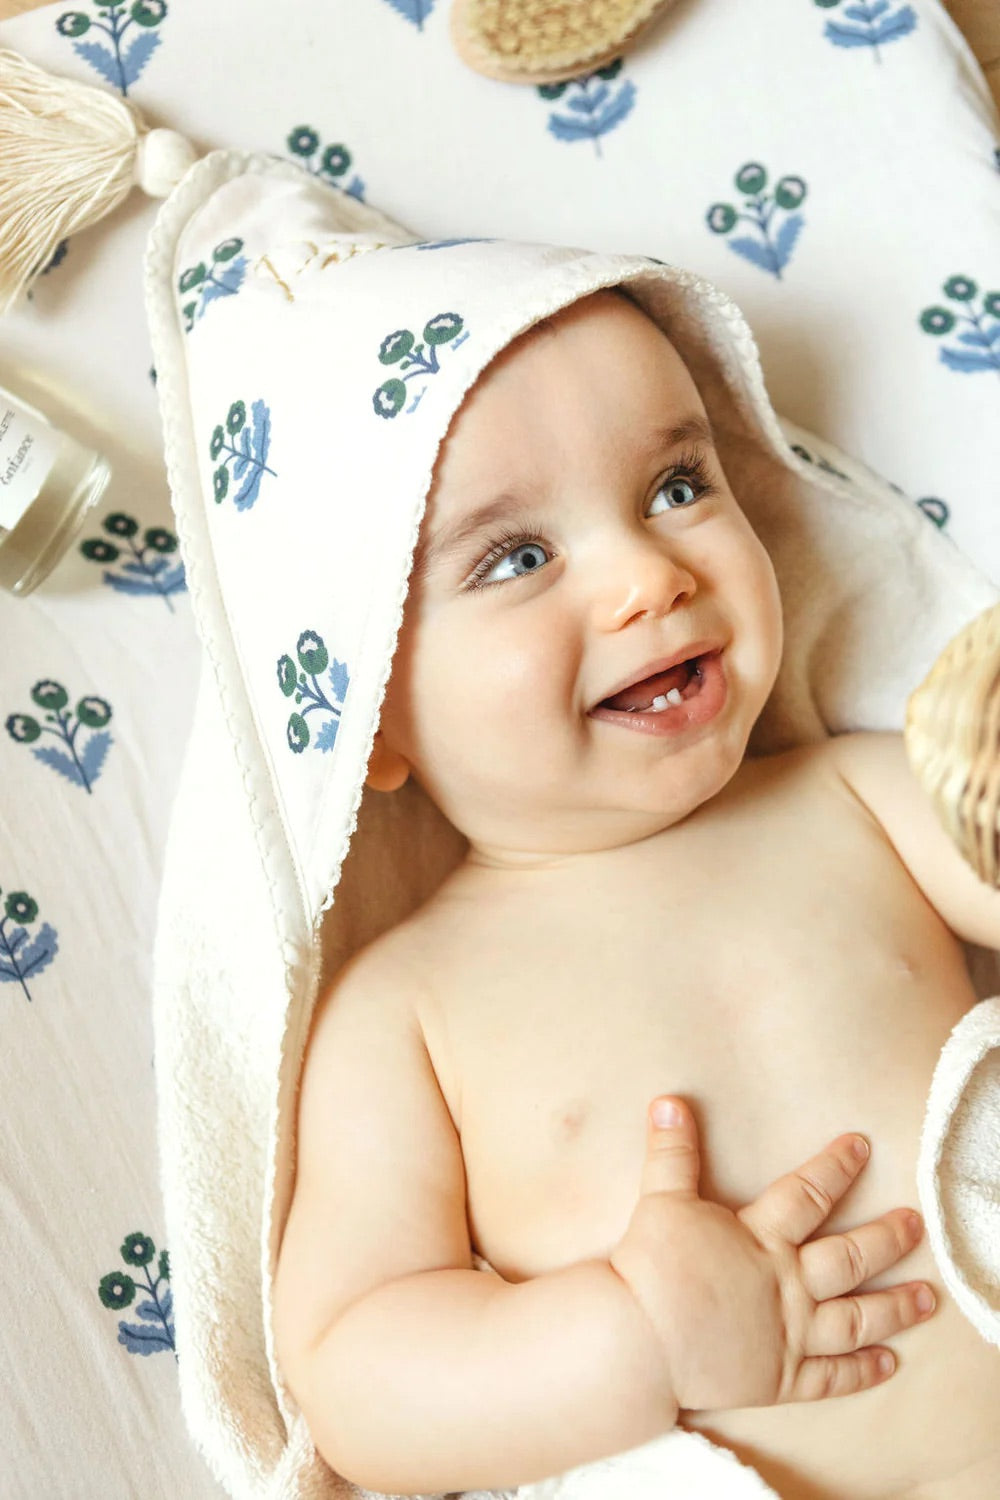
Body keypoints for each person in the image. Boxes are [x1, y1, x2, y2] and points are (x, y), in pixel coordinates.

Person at [271, 286, 1000, 1499]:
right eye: (516, 556)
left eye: (676, 487)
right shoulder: (409, 1011)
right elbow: (354, 1374)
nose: (649, 576)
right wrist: (637, 1334)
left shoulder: (856, 800)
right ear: (367, 715)